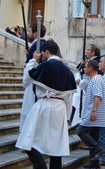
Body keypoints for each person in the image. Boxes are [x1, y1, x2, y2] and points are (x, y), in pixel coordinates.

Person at [15, 40, 76, 169]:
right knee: (56, 146)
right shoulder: (67, 70)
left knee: (27, 139)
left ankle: (40, 166)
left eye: (43, 54)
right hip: (60, 108)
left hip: (45, 104)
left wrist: (32, 60)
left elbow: (26, 80)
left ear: (47, 52)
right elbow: (70, 97)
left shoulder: (45, 66)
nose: (42, 56)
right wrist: (68, 116)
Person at [77, 60, 105, 168]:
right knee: (93, 137)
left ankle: (98, 149)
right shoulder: (97, 79)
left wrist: (94, 111)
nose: (84, 69)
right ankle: (94, 164)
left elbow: (97, 95)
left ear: (90, 68)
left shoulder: (96, 79)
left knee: (81, 131)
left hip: (93, 114)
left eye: (85, 67)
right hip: (97, 116)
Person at [19, 23, 47, 132]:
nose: (28, 33)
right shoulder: (44, 44)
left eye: (30, 31)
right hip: (42, 82)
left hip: (33, 81)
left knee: (28, 108)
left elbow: (30, 65)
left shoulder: (36, 45)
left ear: (35, 34)